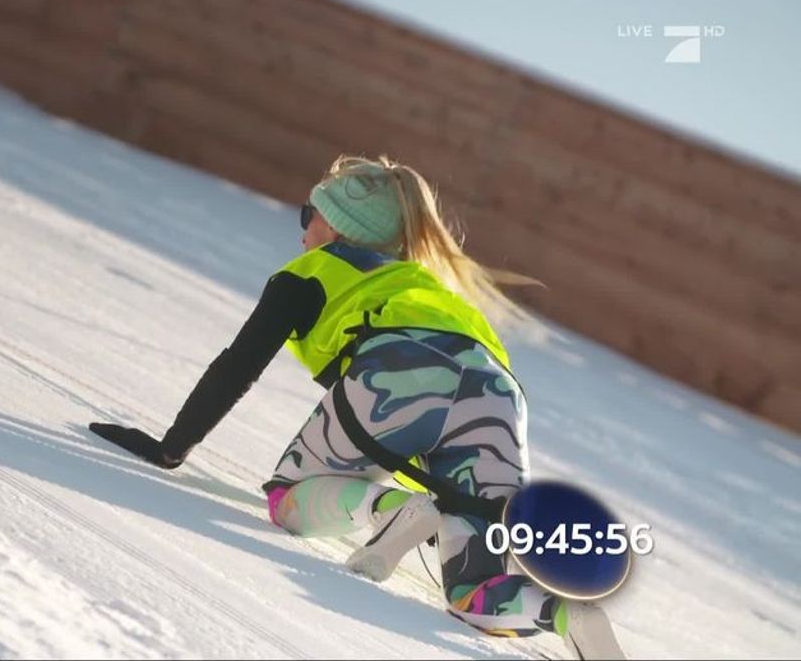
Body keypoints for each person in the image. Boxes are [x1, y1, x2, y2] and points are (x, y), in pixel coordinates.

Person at [90, 155, 625, 659]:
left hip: (403, 367)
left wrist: (170, 449)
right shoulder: (424, 287)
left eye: (310, 214)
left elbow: (239, 365)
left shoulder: (311, 273)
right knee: (472, 589)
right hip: (497, 395)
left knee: (288, 498)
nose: (302, 228)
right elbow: (467, 373)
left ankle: (394, 512)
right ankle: (568, 617)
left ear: (338, 226)